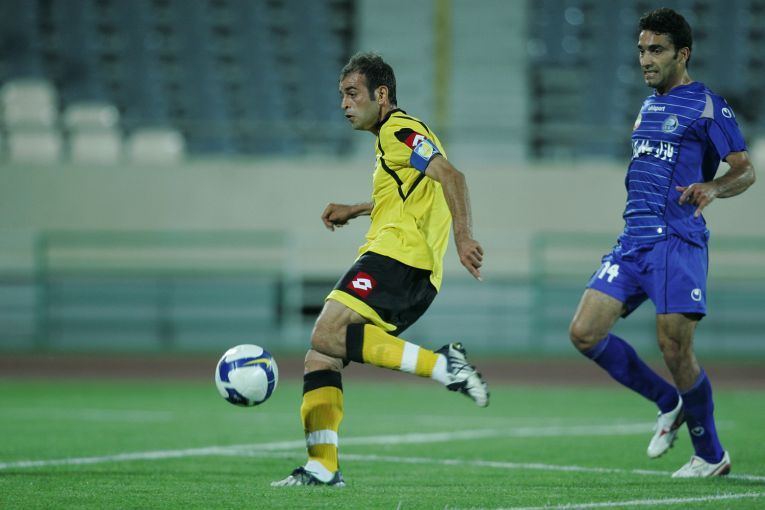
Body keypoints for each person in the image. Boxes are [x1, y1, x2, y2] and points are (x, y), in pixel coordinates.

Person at [271, 52, 490, 487]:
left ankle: (443, 365)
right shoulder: (395, 140)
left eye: (353, 93)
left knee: (326, 332)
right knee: (321, 357)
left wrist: (464, 237)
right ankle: (322, 467)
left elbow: (452, 177)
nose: (344, 104)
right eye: (342, 95)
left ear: (382, 94)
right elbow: (409, 191)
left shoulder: (398, 131)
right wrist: (356, 208)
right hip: (408, 266)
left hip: (399, 258)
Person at [569, 7, 756, 478]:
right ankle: (668, 401)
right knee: (584, 332)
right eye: (641, 50)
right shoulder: (648, 106)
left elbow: (744, 169)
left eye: (656, 50)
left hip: (676, 241)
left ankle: (710, 455)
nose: (645, 60)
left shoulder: (707, 105)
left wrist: (713, 187)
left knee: (674, 349)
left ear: (682, 54)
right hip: (633, 241)